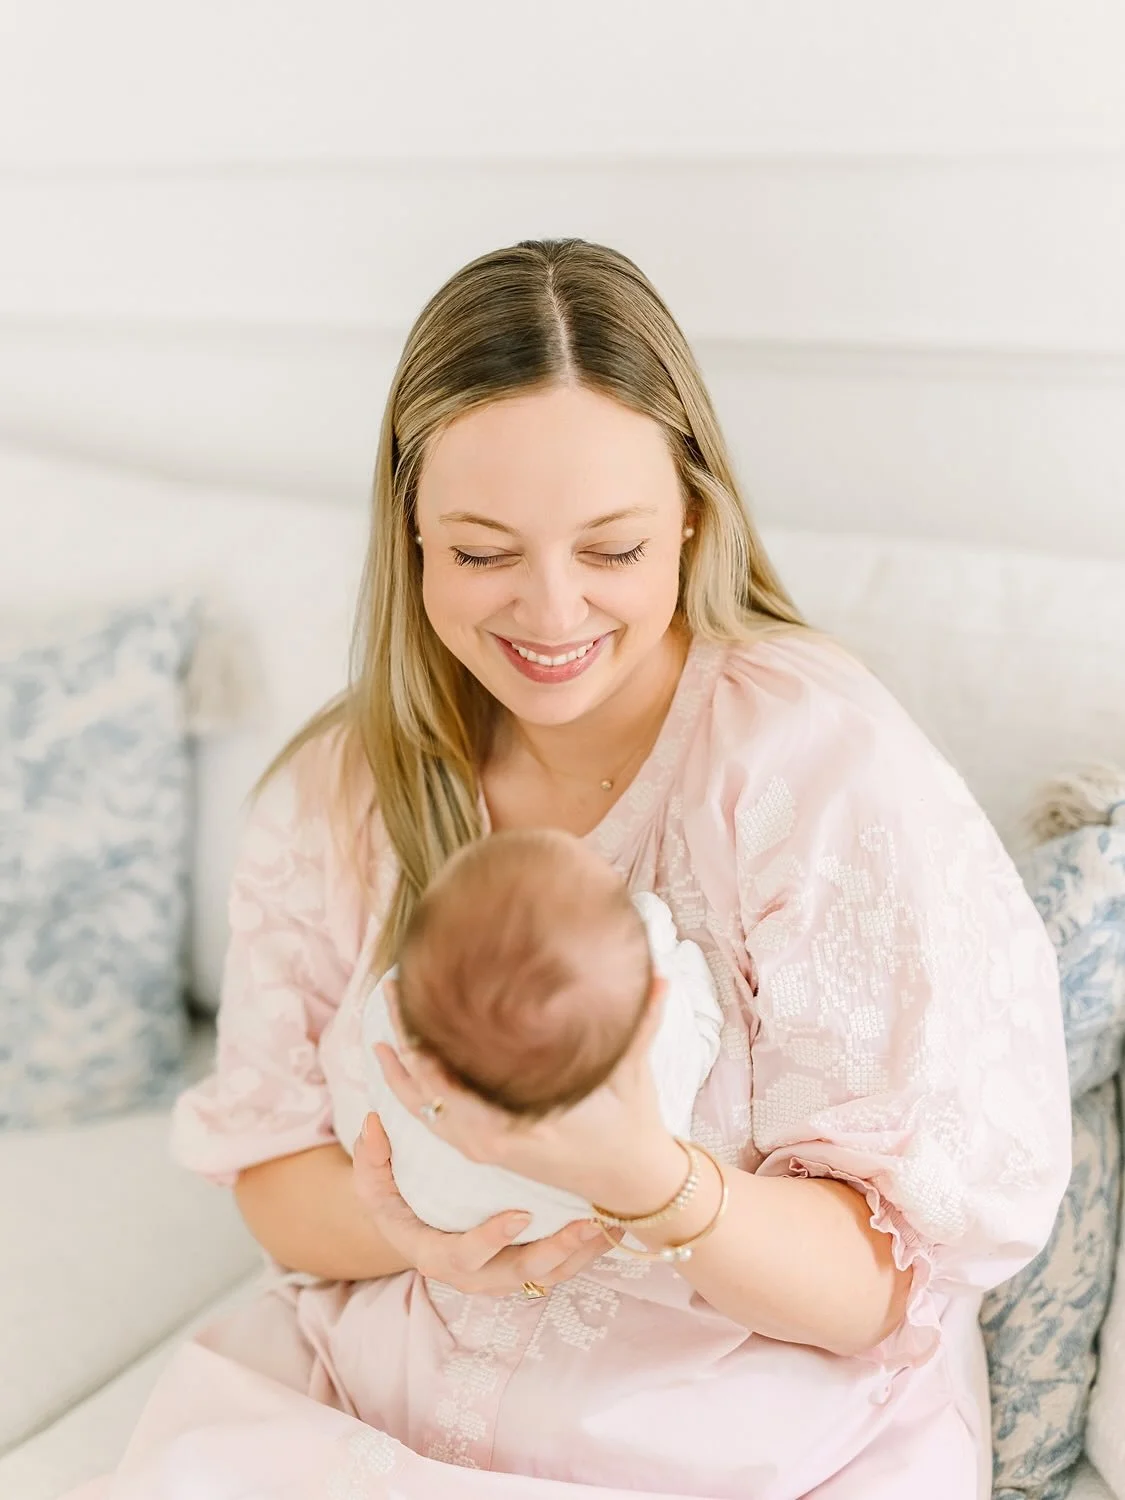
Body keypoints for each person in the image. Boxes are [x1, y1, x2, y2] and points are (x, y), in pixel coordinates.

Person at [72, 238, 1070, 1500]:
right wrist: (418, 1227)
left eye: (611, 550)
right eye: (483, 553)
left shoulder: (814, 770)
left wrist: (645, 1182)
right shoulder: (340, 794)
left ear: (693, 514)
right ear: (411, 533)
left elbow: (880, 1287)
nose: (551, 615)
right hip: (375, 1397)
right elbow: (272, 1172)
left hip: (735, 1441)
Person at [341, 827, 724, 1244]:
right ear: (650, 999)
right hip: (606, 1233)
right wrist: (665, 946)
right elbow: (704, 1030)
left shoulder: (396, 1024)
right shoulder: (652, 1066)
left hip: (453, 1224)